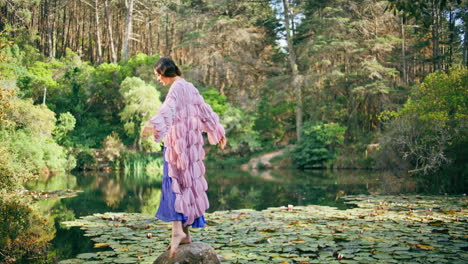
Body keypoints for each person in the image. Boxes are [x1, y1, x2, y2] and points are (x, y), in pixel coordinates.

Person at [142, 57, 226, 258]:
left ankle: (177, 230)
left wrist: (153, 125)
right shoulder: (190, 87)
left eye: (157, 75)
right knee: (185, 186)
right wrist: (218, 131)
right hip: (191, 148)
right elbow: (205, 111)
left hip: (177, 146)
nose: (158, 79)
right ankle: (185, 234)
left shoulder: (176, 89)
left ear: (164, 72)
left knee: (172, 185)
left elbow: (168, 109)